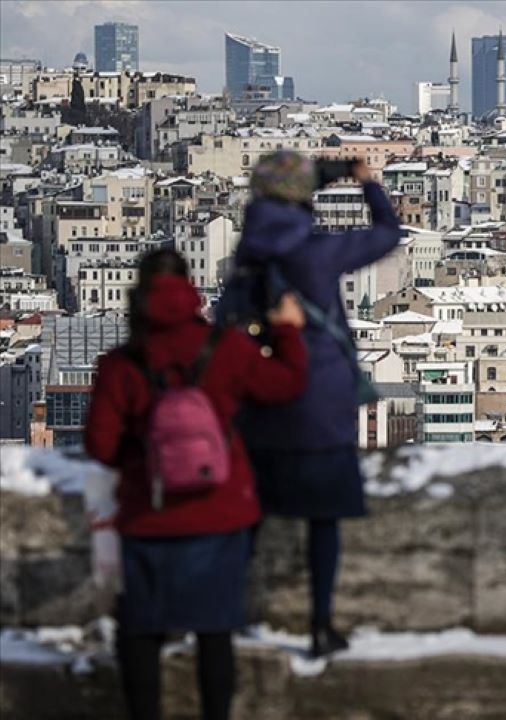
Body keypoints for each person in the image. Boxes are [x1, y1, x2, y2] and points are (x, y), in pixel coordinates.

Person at [85, 249, 308, 720]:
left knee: (140, 631)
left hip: (150, 514)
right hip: (220, 511)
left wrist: (146, 456)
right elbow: (285, 385)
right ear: (189, 289)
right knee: (214, 631)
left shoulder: (122, 363)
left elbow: (101, 447)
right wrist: (287, 329)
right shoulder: (223, 347)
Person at [234, 151, 401, 658]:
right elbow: (388, 233)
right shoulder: (315, 251)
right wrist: (364, 183)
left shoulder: (248, 251)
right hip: (320, 402)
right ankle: (320, 626)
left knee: (248, 518)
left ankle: (231, 614)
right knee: (322, 522)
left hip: (261, 400)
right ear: (305, 194)